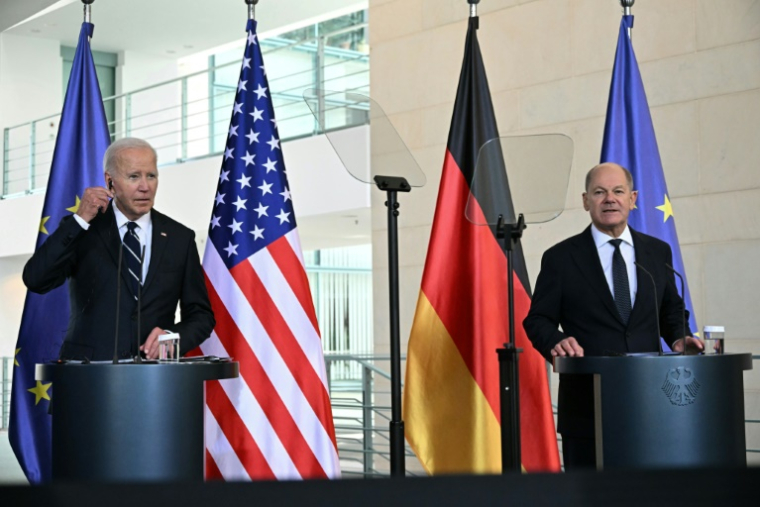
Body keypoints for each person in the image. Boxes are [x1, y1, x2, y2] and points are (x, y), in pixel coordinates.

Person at [523, 162, 703, 469]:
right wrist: (557, 340)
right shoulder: (561, 258)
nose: (610, 199)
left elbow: (670, 309)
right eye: (599, 192)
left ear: (632, 198)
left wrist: (679, 336)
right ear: (585, 201)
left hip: (651, 404)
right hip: (586, 409)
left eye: (618, 191)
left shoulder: (657, 252)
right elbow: (537, 319)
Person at [23, 137, 215, 361]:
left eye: (151, 176)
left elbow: (201, 315)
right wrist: (80, 221)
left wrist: (172, 336)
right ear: (110, 181)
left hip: (155, 380)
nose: (145, 186)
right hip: (88, 377)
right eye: (134, 176)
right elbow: (36, 279)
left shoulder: (180, 238)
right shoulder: (83, 229)